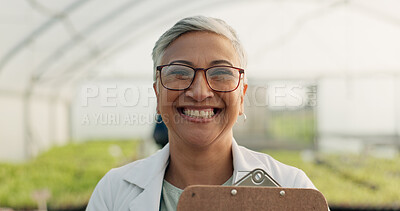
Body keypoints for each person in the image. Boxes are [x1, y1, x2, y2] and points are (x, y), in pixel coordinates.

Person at [86, 16, 316, 211]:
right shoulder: (113, 193)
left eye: (221, 73)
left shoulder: (291, 188)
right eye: (179, 72)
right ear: (157, 94)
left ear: (242, 96)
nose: (199, 92)